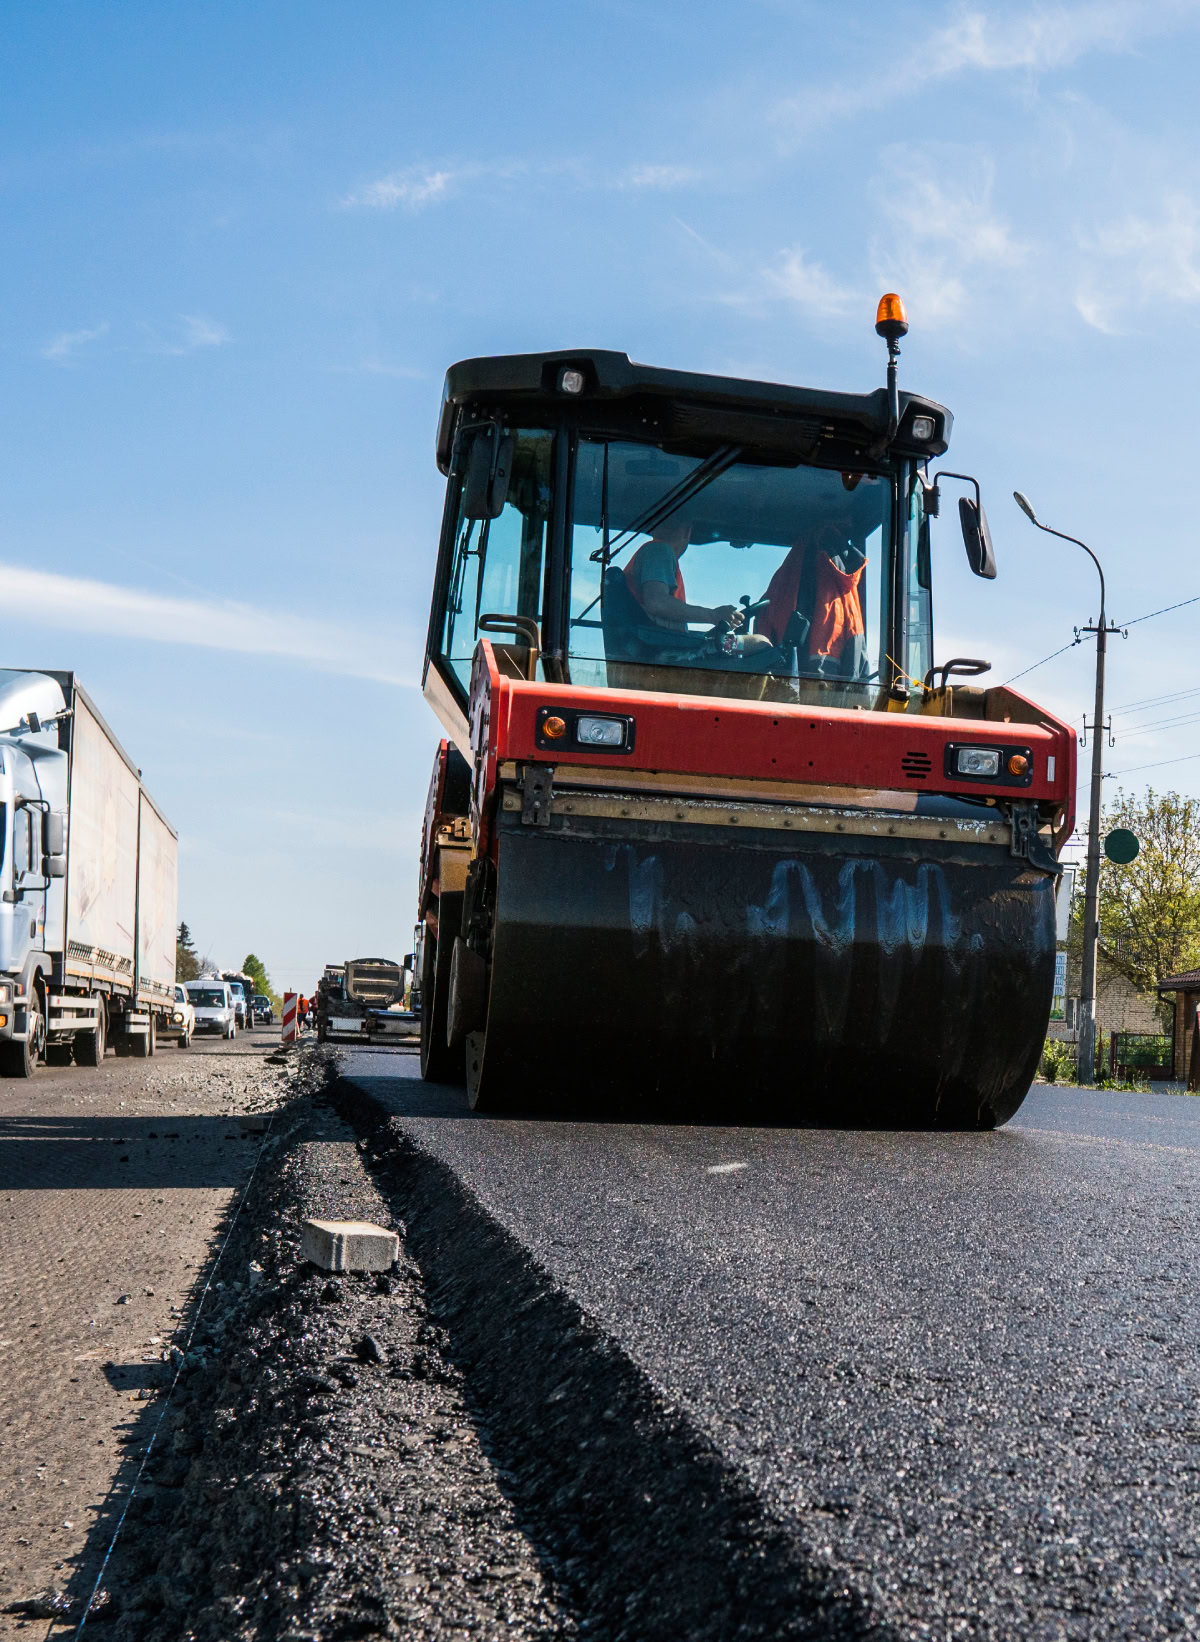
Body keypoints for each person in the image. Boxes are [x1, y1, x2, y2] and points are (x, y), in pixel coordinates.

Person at [624, 519, 773, 657]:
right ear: (687, 531)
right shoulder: (659, 550)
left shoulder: (650, 552)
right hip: (673, 651)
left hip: (670, 645)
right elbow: (657, 603)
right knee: (760, 643)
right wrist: (713, 616)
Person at [757, 521, 868, 677]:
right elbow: (855, 642)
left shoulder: (785, 579)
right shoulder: (843, 590)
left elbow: (763, 630)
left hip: (784, 684)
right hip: (828, 688)